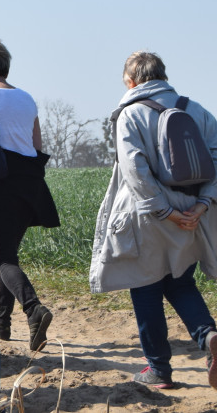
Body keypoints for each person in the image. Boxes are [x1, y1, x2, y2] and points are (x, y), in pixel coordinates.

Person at [90, 51, 217, 390]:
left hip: (146, 214)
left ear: (131, 81)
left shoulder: (130, 114)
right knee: (180, 283)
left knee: (145, 287)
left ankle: (159, 369)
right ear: (162, 75)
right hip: (191, 211)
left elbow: (134, 169)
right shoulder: (197, 109)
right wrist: (202, 204)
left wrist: (163, 209)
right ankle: (209, 337)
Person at [0, 37, 59, 351]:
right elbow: (37, 145)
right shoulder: (27, 98)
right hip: (29, 182)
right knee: (8, 252)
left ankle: (34, 309)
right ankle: (1, 323)